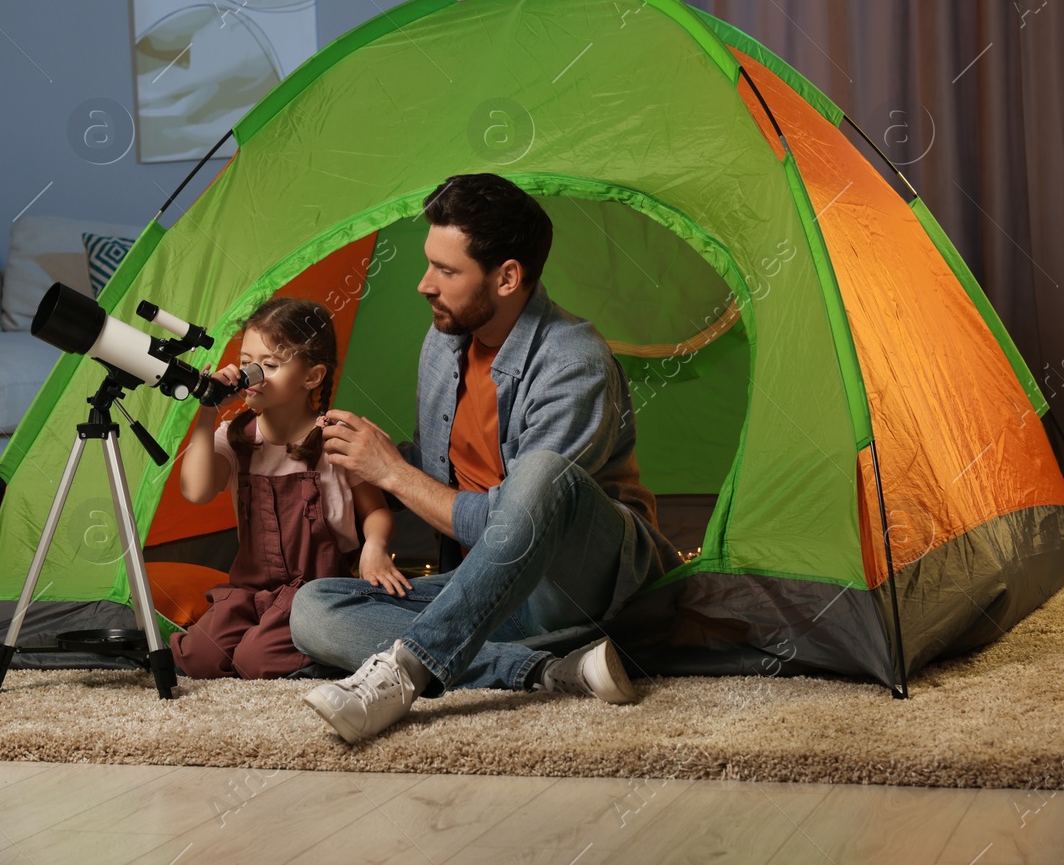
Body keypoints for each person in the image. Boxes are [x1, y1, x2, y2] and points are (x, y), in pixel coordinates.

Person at [292, 173, 683, 743]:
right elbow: (441, 469)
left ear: (507, 277)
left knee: (546, 472)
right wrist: (358, 454)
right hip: (482, 594)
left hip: (579, 587)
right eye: (429, 264)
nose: (425, 285)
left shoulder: (573, 363)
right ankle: (546, 670)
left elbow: (517, 519)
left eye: (446, 271)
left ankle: (405, 672)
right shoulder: (444, 340)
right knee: (313, 608)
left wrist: (393, 473)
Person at [171, 296, 408, 680]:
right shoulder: (235, 438)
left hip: (316, 595)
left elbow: (376, 510)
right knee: (198, 656)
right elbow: (197, 491)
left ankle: (331, 646)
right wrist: (207, 408)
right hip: (250, 590)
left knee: (256, 661)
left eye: (270, 364)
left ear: (311, 376)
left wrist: (376, 548)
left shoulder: (335, 438)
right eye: (247, 360)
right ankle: (261, 635)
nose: (253, 373)